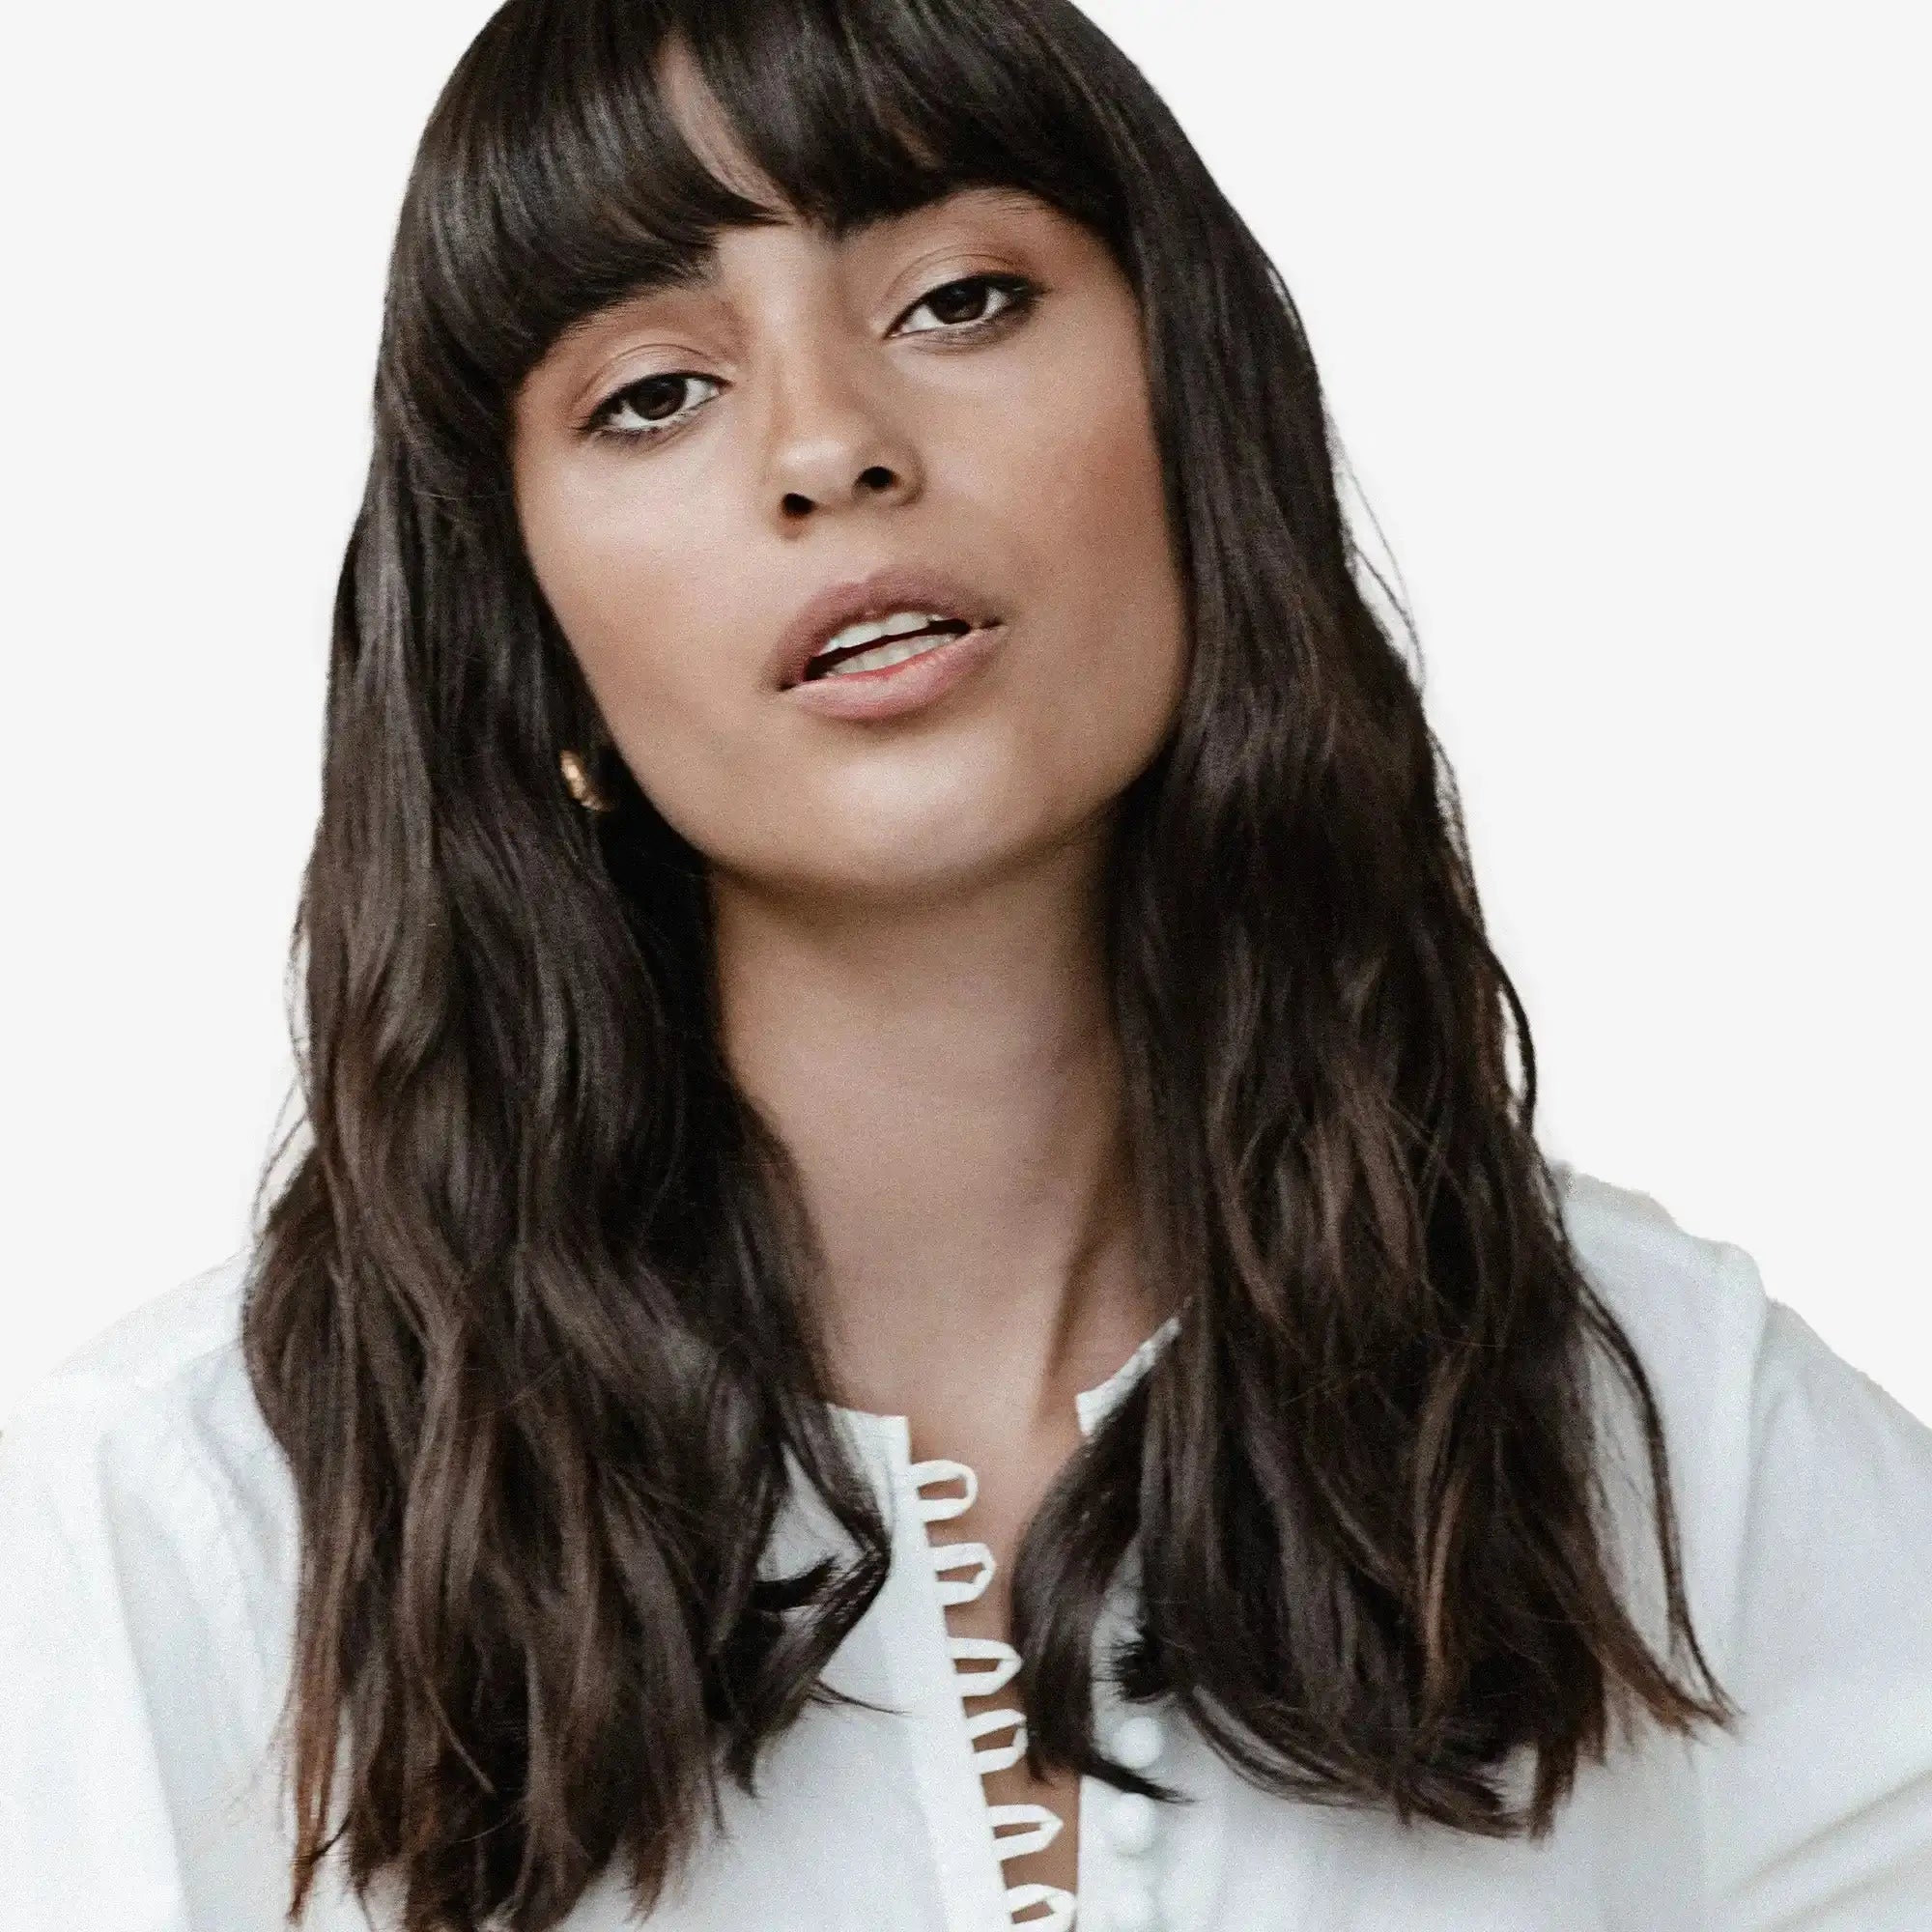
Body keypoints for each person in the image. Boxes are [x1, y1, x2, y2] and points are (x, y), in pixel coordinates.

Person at [3, 1, 1929, 1927]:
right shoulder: (174, 1547)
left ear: (1197, 424)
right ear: (533, 648)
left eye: (957, 301)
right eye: (652, 392)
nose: (831, 444)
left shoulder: (1674, 1447)